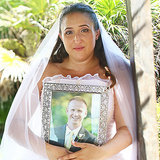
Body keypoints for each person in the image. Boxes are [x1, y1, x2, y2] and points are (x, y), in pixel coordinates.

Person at [0, 2, 137, 160]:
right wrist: (48, 150)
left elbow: (127, 130)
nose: (77, 39)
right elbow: (15, 124)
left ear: (97, 33)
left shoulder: (116, 71)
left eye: (84, 30)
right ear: (60, 36)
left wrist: (100, 153)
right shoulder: (44, 71)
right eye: (69, 32)